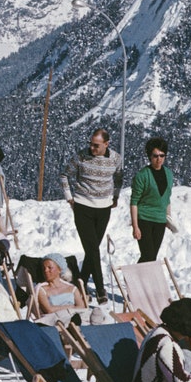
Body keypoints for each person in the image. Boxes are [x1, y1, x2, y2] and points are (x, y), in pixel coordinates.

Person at [61, 128, 122, 303]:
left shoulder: (116, 159)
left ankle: (80, 280)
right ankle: (101, 288)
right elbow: (65, 174)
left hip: (104, 208)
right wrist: (69, 198)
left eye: (96, 145)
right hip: (83, 206)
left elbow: (119, 177)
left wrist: (115, 196)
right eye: (90, 144)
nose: (92, 148)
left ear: (106, 144)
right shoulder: (81, 156)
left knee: (92, 249)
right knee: (93, 248)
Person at [129, 137, 175, 263]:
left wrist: (168, 218)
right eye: (155, 156)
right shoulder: (142, 175)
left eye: (162, 155)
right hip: (144, 219)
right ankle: (135, 280)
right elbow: (134, 202)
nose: (159, 159)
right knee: (148, 255)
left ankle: (137, 281)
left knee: (151, 257)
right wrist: (135, 226)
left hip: (160, 220)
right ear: (150, 156)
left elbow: (167, 198)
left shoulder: (169, 174)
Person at [32, 257, 89, 328]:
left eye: (50, 267)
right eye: (44, 268)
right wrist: (71, 307)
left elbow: (81, 307)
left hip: (75, 318)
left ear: (60, 269)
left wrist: (57, 308)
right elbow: (49, 310)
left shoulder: (72, 288)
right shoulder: (41, 289)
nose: (46, 270)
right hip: (56, 321)